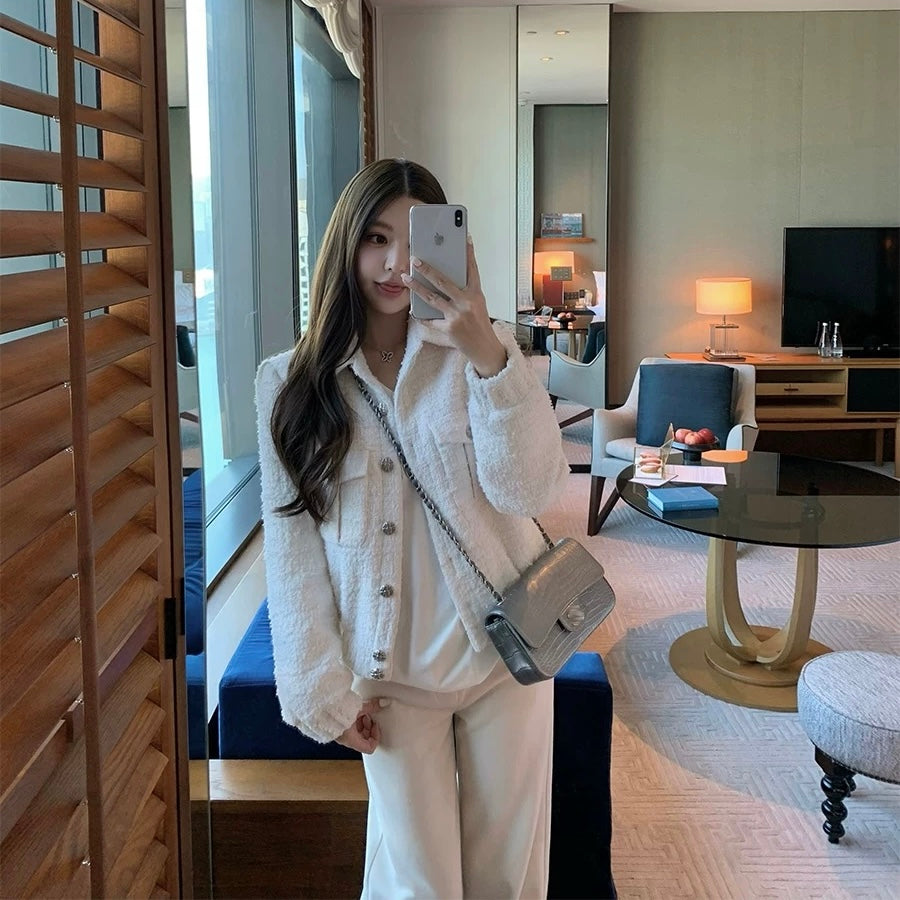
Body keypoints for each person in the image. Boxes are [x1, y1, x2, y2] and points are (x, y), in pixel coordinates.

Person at [256, 158, 570, 899]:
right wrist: (316, 688)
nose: (398, 262)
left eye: (416, 239)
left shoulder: (480, 350)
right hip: (388, 679)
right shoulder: (291, 383)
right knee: (418, 886)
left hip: (505, 657)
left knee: (508, 879)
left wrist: (487, 352)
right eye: (376, 238)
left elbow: (533, 489)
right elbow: (292, 548)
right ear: (346, 246)